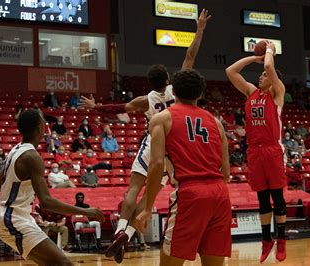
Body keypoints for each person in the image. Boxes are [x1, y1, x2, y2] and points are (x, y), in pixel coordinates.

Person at [79, 10, 212, 264]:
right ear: (169, 79)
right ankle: (127, 235)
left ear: (151, 83)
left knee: (132, 191)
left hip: (152, 144)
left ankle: (119, 230)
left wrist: (95, 107)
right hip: (171, 149)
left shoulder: (145, 100)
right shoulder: (178, 90)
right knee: (148, 197)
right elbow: (190, 55)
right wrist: (200, 30)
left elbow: (119, 108)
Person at [133, 68, 231, 266]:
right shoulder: (216, 122)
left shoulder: (161, 119)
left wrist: (147, 208)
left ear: (173, 91)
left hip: (190, 194)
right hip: (220, 194)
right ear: (201, 94)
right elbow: (226, 172)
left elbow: (157, 164)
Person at [0, 109, 104, 265]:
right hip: (13, 219)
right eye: (44, 123)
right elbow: (46, 202)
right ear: (39, 128)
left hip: (11, 217)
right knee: (64, 264)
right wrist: (85, 211)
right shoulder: (32, 157)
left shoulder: (15, 150)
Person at [226, 40, 287, 262]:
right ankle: (266, 239)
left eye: (263, 74)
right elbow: (230, 71)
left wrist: (269, 52)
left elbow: (270, 69)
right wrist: (256, 57)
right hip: (254, 151)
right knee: (262, 199)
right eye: (260, 74)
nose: (260, 76)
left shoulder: (277, 93)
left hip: (272, 150)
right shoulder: (251, 92)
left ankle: (281, 239)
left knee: (277, 197)